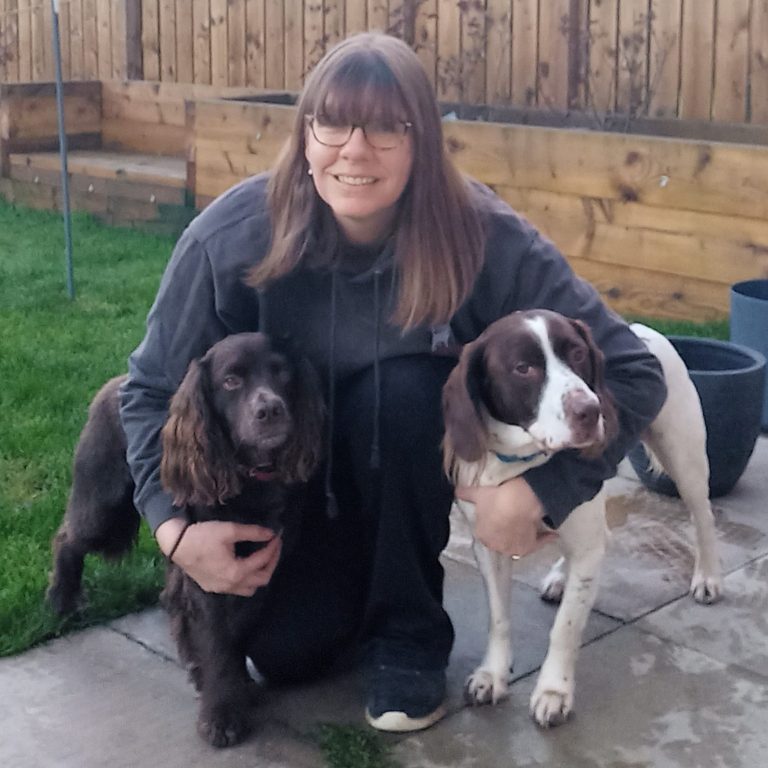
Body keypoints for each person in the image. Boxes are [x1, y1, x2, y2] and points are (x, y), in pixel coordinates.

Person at [120, 31, 666, 734]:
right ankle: (353, 589)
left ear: (422, 142)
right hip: (287, 490)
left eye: (386, 126)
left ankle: (408, 633)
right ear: (305, 135)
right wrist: (172, 531)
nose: (355, 150)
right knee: (290, 655)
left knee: (409, 392)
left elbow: (634, 370)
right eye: (332, 123)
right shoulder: (227, 239)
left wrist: (544, 490)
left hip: (403, 471)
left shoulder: (486, 238)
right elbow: (146, 391)